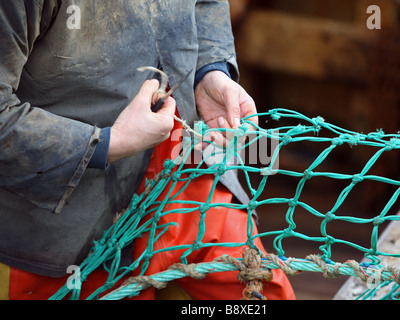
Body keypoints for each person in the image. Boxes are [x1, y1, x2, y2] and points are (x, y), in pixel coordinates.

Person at [0, 1, 295, 300]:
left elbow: (207, 6)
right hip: (58, 230)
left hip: (191, 185)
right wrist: (108, 142)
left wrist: (210, 71)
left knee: (263, 294)